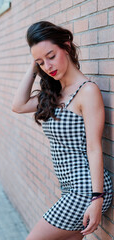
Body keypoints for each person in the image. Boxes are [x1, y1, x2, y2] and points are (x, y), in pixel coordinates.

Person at [12, 21, 113, 240]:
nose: (47, 66)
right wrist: (33, 66)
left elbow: (94, 148)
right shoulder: (54, 93)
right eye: (41, 62)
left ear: (66, 47)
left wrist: (97, 199)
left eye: (51, 56)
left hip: (86, 190)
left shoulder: (87, 91)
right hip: (69, 189)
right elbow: (18, 105)